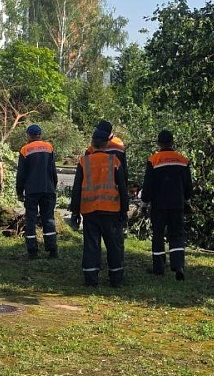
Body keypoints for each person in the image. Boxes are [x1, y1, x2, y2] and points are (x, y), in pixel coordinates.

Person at [70, 127, 129, 287]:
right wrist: (124, 210)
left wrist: (75, 212)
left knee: (91, 245)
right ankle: (116, 279)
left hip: (89, 210)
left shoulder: (84, 161)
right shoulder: (114, 161)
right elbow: (122, 188)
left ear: (92, 143)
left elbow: (76, 188)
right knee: (114, 246)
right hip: (111, 210)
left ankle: (91, 279)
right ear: (106, 143)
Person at [141, 129, 193, 280]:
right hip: (177, 204)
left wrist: (144, 203)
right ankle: (178, 265)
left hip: (159, 205)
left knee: (158, 235)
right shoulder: (182, 160)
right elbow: (188, 185)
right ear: (172, 142)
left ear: (158, 143)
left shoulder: (153, 160)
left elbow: (148, 185)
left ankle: (159, 268)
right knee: (176, 234)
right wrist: (187, 200)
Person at [16, 124, 58, 258]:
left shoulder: (25, 150)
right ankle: (52, 250)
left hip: (32, 190)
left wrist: (19, 191)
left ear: (29, 135)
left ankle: (32, 251)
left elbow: (21, 174)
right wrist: (54, 185)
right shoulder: (49, 148)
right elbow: (53, 170)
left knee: (31, 220)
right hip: (48, 189)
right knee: (49, 219)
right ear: (40, 135)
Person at [85, 119, 128, 187]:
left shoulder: (93, 147)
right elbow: (124, 169)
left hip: (95, 184)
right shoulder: (119, 144)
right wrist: (124, 187)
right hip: (114, 186)